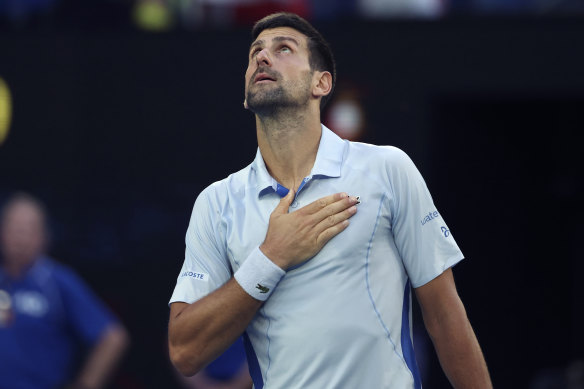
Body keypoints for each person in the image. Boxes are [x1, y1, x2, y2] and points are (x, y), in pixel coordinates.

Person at [168, 12, 492, 389]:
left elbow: (445, 317)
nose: (262, 57)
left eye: (283, 48)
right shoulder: (216, 203)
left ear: (321, 83)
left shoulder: (387, 168)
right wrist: (270, 258)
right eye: (256, 51)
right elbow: (185, 351)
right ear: (245, 95)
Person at [0, 192, 129, 389]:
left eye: (28, 230)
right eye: (14, 229)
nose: (20, 238)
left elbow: (112, 337)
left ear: (44, 237)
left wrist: (85, 384)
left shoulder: (57, 281)